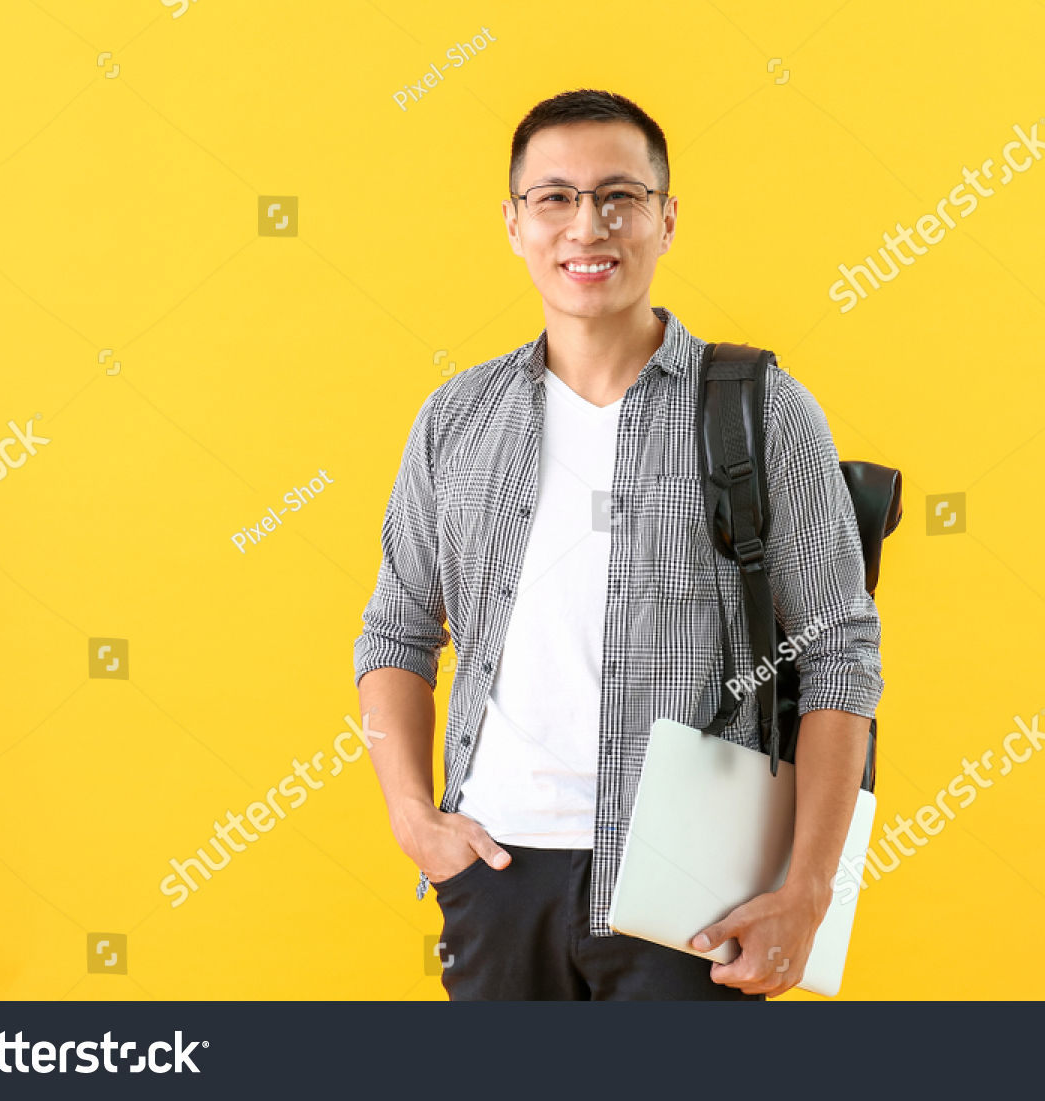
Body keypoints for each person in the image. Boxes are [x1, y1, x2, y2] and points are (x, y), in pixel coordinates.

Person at [354, 89, 882, 1000]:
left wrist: (807, 891)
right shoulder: (456, 420)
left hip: (694, 890)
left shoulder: (759, 409)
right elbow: (395, 634)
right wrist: (413, 816)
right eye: (553, 197)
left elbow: (839, 656)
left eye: (619, 196)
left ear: (666, 219)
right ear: (513, 223)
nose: (586, 226)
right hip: (496, 878)